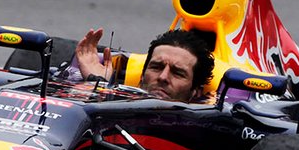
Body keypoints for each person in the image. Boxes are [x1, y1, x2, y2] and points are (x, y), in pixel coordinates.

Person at [76, 28, 215, 102]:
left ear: (195, 91)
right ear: (142, 75)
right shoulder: (114, 103)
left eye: (178, 73)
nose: (163, 77)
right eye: (156, 67)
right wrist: (97, 84)